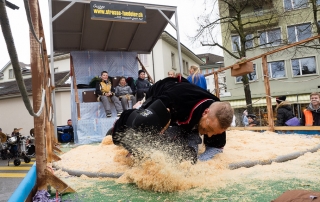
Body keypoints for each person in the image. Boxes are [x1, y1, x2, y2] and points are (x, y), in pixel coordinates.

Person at [111, 76, 234, 163]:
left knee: (189, 156)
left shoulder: (219, 115)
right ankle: (117, 125)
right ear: (206, 112)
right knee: (146, 128)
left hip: (187, 114)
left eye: (215, 132)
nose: (210, 134)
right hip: (162, 92)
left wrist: (198, 163)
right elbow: (140, 123)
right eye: (210, 129)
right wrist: (137, 149)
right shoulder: (174, 99)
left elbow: (216, 149)